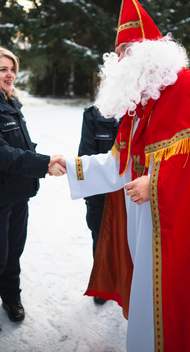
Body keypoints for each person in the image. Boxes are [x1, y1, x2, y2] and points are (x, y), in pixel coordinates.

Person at [59, 0, 190, 351]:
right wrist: (74, 166)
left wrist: (156, 182)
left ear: (147, 53)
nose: (119, 60)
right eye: (118, 53)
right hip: (146, 225)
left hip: (177, 227)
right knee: (147, 304)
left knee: (170, 304)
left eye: (125, 52)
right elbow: (122, 162)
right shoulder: (142, 103)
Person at [0, 46, 65, 336]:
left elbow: (19, 149)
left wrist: (41, 160)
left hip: (16, 193)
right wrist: (43, 164)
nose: (10, 74)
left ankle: (10, 298)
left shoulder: (9, 103)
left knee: (12, 252)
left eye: (12, 68)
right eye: (3, 69)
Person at [78, 105, 122, 305]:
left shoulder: (138, 111)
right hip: (100, 195)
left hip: (130, 192)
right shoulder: (92, 114)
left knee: (129, 240)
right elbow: (86, 156)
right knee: (101, 239)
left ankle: (126, 282)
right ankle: (103, 284)